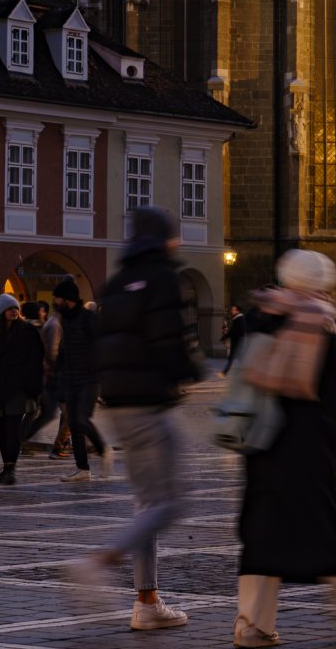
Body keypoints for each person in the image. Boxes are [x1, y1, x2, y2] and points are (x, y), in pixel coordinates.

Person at [67, 207, 205, 631]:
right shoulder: (164, 279)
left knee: (147, 503)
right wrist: (193, 369)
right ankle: (99, 561)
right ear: (164, 239)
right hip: (151, 405)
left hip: (119, 407)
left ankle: (147, 601)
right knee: (171, 502)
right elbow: (171, 343)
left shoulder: (113, 283)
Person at [235, 249, 336, 647]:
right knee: (327, 532)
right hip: (307, 444)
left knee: (262, 535)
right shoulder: (319, 322)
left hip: (261, 441)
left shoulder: (260, 315)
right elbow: (334, 392)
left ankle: (251, 626)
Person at [0, 294, 44, 486]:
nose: (14, 311)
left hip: (19, 389)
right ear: (1, 312)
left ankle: (10, 469)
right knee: (3, 430)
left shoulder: (28, 332)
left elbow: (37, 360)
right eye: (9, 308)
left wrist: (34, 386)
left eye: (15, 308)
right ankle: (6, 467)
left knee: (12, 429)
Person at [51, 277, 112, 483]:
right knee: (74, 425)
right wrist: (55, 372)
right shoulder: (66, 319)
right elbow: (64, 349)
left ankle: (104, 450)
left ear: (68, 299)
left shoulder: (89, 319)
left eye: (58, 299)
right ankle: (82, 468)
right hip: (70, 378)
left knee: (80, 419)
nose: (55, 303)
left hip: (89, 379)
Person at [21, 294, 71, 458]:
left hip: (42, 376)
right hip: (42, 377)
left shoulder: (44, 325)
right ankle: (19, 441)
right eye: (41, 310)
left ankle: (20, 441)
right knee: (45, 412)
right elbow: (50, 353)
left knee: (41, 412)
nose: (43, 312)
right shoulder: (45, 326)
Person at [223, 304, 247, 376]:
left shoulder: (239, 318)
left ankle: (225, 372)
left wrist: (226, 336)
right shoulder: (237, 318)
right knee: (238, 357)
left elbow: (238, 330)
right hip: (236, 340)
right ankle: (225, 372)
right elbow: (233, 330)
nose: (231, 311)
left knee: (233, 357)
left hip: (237, 340)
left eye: (233, 309)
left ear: (237, 310)